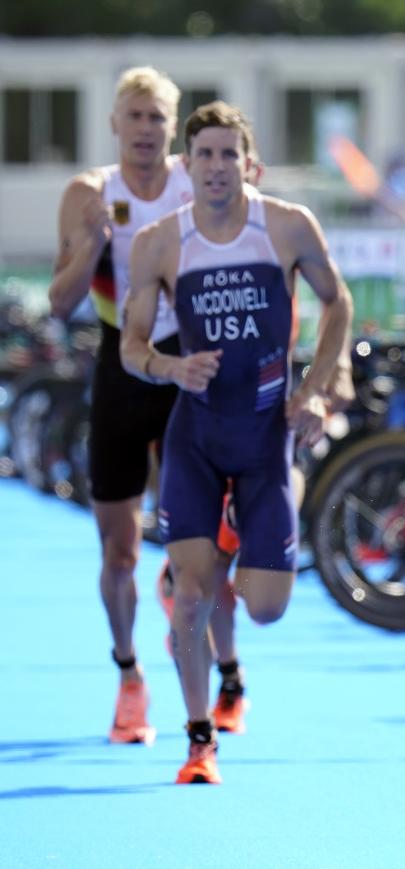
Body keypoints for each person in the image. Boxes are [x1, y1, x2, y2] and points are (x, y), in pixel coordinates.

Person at [121, 101, 353, 784]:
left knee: (266, 606)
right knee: (192, 597)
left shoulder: (284, 225)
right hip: (194, 436)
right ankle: (199, 741)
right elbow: (132, 346)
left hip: (265, 436)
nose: (217, 167)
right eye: (205, 156)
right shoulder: (160, 242)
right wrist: (169, 366)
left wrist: (315, 384)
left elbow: (337, 302)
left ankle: (241, 530)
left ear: (250, 164)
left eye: (230, 155)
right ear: (185, 167)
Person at [46, 67, 196, 746]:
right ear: (115, 123)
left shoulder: (198, 180)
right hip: (119, 367)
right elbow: (59, 300)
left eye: (156, 118)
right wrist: (95, 243)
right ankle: (129, 673)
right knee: (119, 550)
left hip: (188, 363)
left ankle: (193, 615)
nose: (144, 130)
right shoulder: (88, 192)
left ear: (172, 126)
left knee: (197, 535)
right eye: (133, 117)